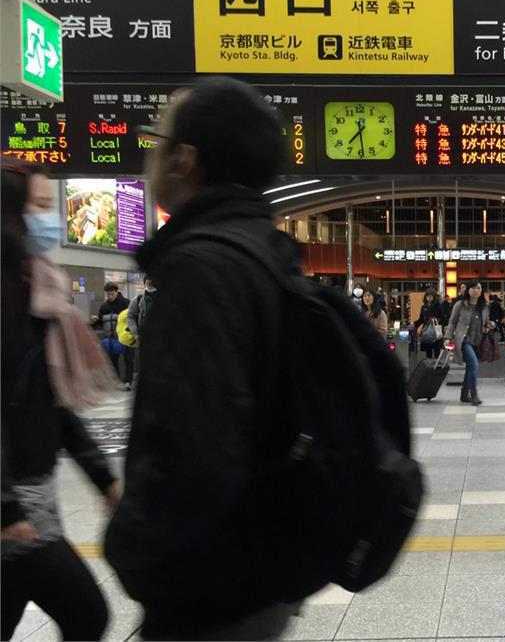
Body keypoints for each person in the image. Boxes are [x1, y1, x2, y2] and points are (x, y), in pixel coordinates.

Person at [104, 77, 307, 639]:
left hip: (210, 590)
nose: (150, 152)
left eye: (157, 138)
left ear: (185, 160)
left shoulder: (200, 269)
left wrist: (132, 546)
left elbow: (194, 448)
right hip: (260, 566)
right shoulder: (265, 251)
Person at [1, 159, 120, 641]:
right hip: (16, 513)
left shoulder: (37, 299)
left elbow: (54, 407)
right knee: (87, 615)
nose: (50, 221)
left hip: (34, 505)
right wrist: (6, 511)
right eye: (41, 207)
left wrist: (103, 480)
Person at [444, 280, 491, 406]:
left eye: (479, 288)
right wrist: (448, 337)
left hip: (478, 341)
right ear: (468, 290)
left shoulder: (484, 307)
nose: (476, 290)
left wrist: (490, 325)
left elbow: (486, 323)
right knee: (474, 365)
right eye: (473, 288)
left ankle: (464, 394)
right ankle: (473, 393)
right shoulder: (460, 305)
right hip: (463, 340)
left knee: (470, 367)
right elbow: (452, 322)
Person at [92, 282, 133, 391]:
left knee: (128, 359)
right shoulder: (104, 306)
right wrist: (96, 321)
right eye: (107, 294)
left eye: (111, 294)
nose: (109, 297)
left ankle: (128, 381)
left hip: (126, 337)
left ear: (116, 292)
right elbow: (101, 322)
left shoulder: (127, 303)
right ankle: (118, 381)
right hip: (112, 338)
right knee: (113, 360)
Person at [415, 289, 444, 359]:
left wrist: (436, 320)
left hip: (435, 332)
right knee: (428, 352)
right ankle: (429, 367)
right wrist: (414, 324)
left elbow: (444, 318)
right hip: (426, 331)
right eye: (427, 296)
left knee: (437, 351)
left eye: (431, 296)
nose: (429, 298)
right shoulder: (424, 307)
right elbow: (421, 319)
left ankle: (438, 366)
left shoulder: (439, 306)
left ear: (434, 297)